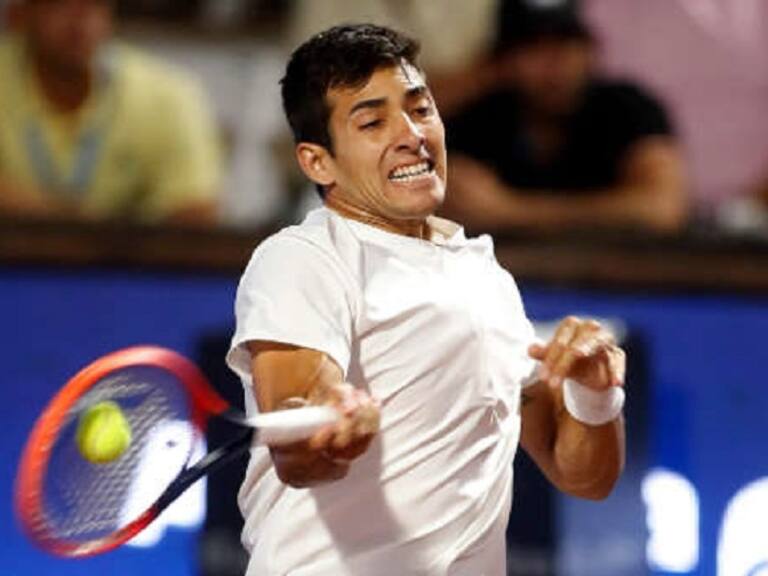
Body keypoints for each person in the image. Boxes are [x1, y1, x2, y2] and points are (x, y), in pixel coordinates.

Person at [226, 24, 626, 576]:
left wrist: (594, 393)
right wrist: (329, 427)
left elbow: (584, 475)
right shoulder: (303, 258)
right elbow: (296, 440)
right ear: (318, 162)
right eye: (372, 121)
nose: (410, 133)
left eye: (420, 109)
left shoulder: (485, 276)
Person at [445, 0, 687, 235]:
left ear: (590, 50)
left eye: (566, 45)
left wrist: (512, 211)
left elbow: (662, 209)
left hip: (620, 270)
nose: (554, 66)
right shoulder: (481, 119)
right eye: (534, 49)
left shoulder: (627, 108)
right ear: (503, 62)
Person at [0, 0, 221, 225]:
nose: (80, 20)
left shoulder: (167, 94)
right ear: (19, 14)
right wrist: (84, 224)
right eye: (59, 4)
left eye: (95, 4)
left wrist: (57, 219)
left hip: (128, 259)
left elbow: (197, 211)